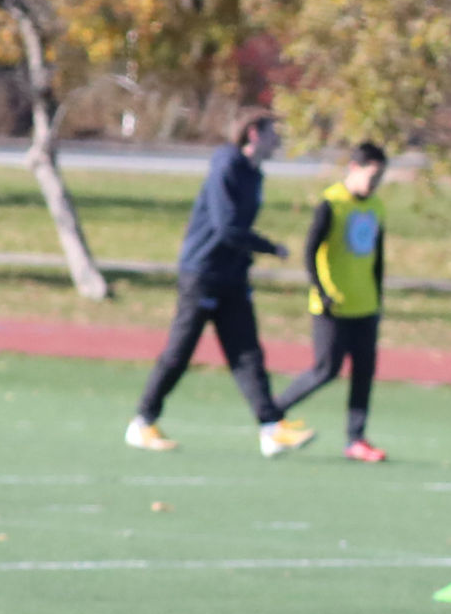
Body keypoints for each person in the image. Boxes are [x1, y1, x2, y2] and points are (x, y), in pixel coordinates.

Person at [128, 112, 314, 458]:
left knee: (247, 354)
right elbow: (226, 226)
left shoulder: (254, 174)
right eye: (274, 133)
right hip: (202, 274)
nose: (278, 140)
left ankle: (271, 428)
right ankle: (142, 422)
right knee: (179, 353)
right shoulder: (226, 165)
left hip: (232, 275)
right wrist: (270, 247)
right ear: (254, 133)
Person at [278, 142, 390, 462]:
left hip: (365, 305)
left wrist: (378, 298)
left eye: (380, 177)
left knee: (364, 373)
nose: (375, 183)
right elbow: (310, 250)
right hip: (332, 306)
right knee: (326, 369)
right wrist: (321, 290)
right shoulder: (332, 203)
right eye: (372, 175)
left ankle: (356, 439)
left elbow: (377, 257)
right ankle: (273, 412)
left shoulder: (377, 207)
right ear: (354, 168)